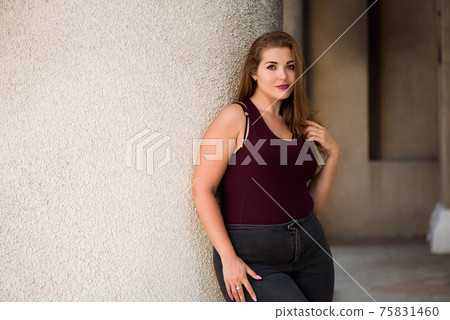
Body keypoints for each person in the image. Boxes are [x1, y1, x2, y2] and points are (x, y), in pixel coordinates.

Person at [191, 30, 340, 302]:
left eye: (290, 66)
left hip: (311, 253)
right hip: (254, 259)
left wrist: (333, 155)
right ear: (254, 73)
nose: (283, 76)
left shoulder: (299, 124)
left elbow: (312, 204)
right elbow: (202, 190)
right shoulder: (236, 117)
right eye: (272, 66)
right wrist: (228, 257)